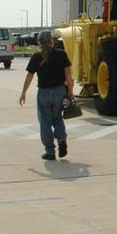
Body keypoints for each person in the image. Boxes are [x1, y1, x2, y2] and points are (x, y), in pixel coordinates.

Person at [19, 30, 74, 160]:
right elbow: (68, 74)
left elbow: (29, 76)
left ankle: (50, 151)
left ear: (39, 42)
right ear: (51, 40)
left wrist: (23, 92)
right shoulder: (61, 54)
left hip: (44, 93)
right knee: (57, 118)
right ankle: (61, 140)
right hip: (60, 91)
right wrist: (70, 91)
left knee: (45, 122)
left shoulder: (37, 56)